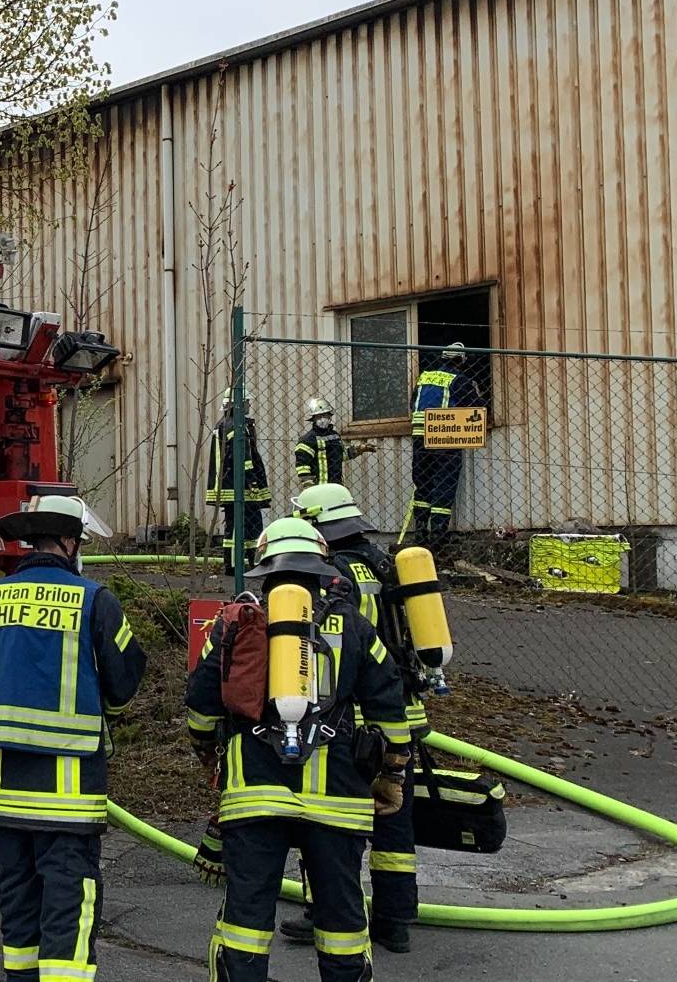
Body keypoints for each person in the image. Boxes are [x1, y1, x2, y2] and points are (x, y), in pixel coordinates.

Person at [185, 518, 413, 982]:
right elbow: (390, 703)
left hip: (255, 795)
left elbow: (202, 702)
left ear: (265, 568)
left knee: (246, 919)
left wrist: (208, 752)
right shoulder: (354, 625)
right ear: (320, 567)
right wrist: (393, 772)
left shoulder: (238, 620)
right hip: (338, 800)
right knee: (342, 920)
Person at [0, 495, 146, 982]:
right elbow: (124, 681)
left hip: (5, 797)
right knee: (68, 914)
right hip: (69, 801)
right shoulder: (94, 599)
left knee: (18, 913)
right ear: (68, 542)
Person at [285, 483, 429, 953]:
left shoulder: (329, 574)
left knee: (329, 819)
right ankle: (395, 919)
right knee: (394, 817)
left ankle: (324, 911)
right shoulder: (386, 562)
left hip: (349, 719)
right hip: (402, 710)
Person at [405, 344, 484, 545]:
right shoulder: (459, 380)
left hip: (419, 439)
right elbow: (475, 407)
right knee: (444, 483)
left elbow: (413, 404)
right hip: (444, 439)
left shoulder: (424, 377)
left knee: (422, 484)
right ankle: (438, 534)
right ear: (460, 361)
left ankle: (421, 530)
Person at [205, 389, 271, 572]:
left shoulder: (227, 424)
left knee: (250, 523)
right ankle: (235, 565)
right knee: (238, 526)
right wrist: (253, 482)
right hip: (238, 485)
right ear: (237, 404)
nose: (249, 405)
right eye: (246, 402)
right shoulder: (235, 426)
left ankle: (252, 560)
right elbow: (243, 458)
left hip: (232, 483)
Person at [294, 398, 372, 487]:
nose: (323, 419)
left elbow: (339, 456)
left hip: (336, 485)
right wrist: (309, 485)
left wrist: (359, 449)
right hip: (318, 488)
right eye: (319, 416)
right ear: (313, 418)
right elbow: (302, 465)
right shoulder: (308, 439)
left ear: (330, 416)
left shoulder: (335, 436)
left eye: (325, 415)